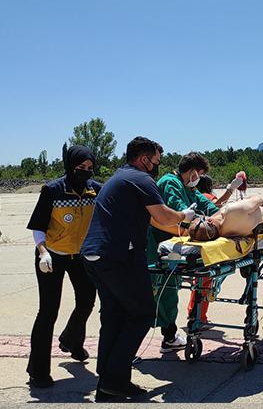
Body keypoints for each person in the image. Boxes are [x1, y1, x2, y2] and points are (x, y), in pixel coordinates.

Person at [81, 137, 196, 401]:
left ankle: (108, 383)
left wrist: (181, 226)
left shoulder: (120, 177)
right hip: (119, 257)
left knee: (115, 316)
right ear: (144, 159)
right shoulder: (141, 179)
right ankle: (114, 379)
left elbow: (154, 220)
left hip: (94, 255)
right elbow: (163, 215)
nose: (157, 166)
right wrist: (184, 216)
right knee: (142, 314)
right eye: (155, 161)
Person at [25, 145, 101, 388]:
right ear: (70, 166)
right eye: (80, 167)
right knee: (48, 312)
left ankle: (71, 340)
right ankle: (38, 371)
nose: (85, 171)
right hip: (52, 256)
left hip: (81, 256)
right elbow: (38, 226)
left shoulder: (95, 190)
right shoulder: (52, 190)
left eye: (89, 167)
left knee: (87, 301)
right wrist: (43, 252)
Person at [146, 152, 236, 352]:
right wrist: (202, 222)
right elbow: (179, 210)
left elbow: (208, 206)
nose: (199, 179)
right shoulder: (170, 183)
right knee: (161, 291)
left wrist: (225, 216)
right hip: (159, 245)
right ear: (193, 171)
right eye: (199, 174)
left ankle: (169, 335)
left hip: (174, 245)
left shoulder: (189, 188)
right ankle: (166, 336)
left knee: (169, 290)